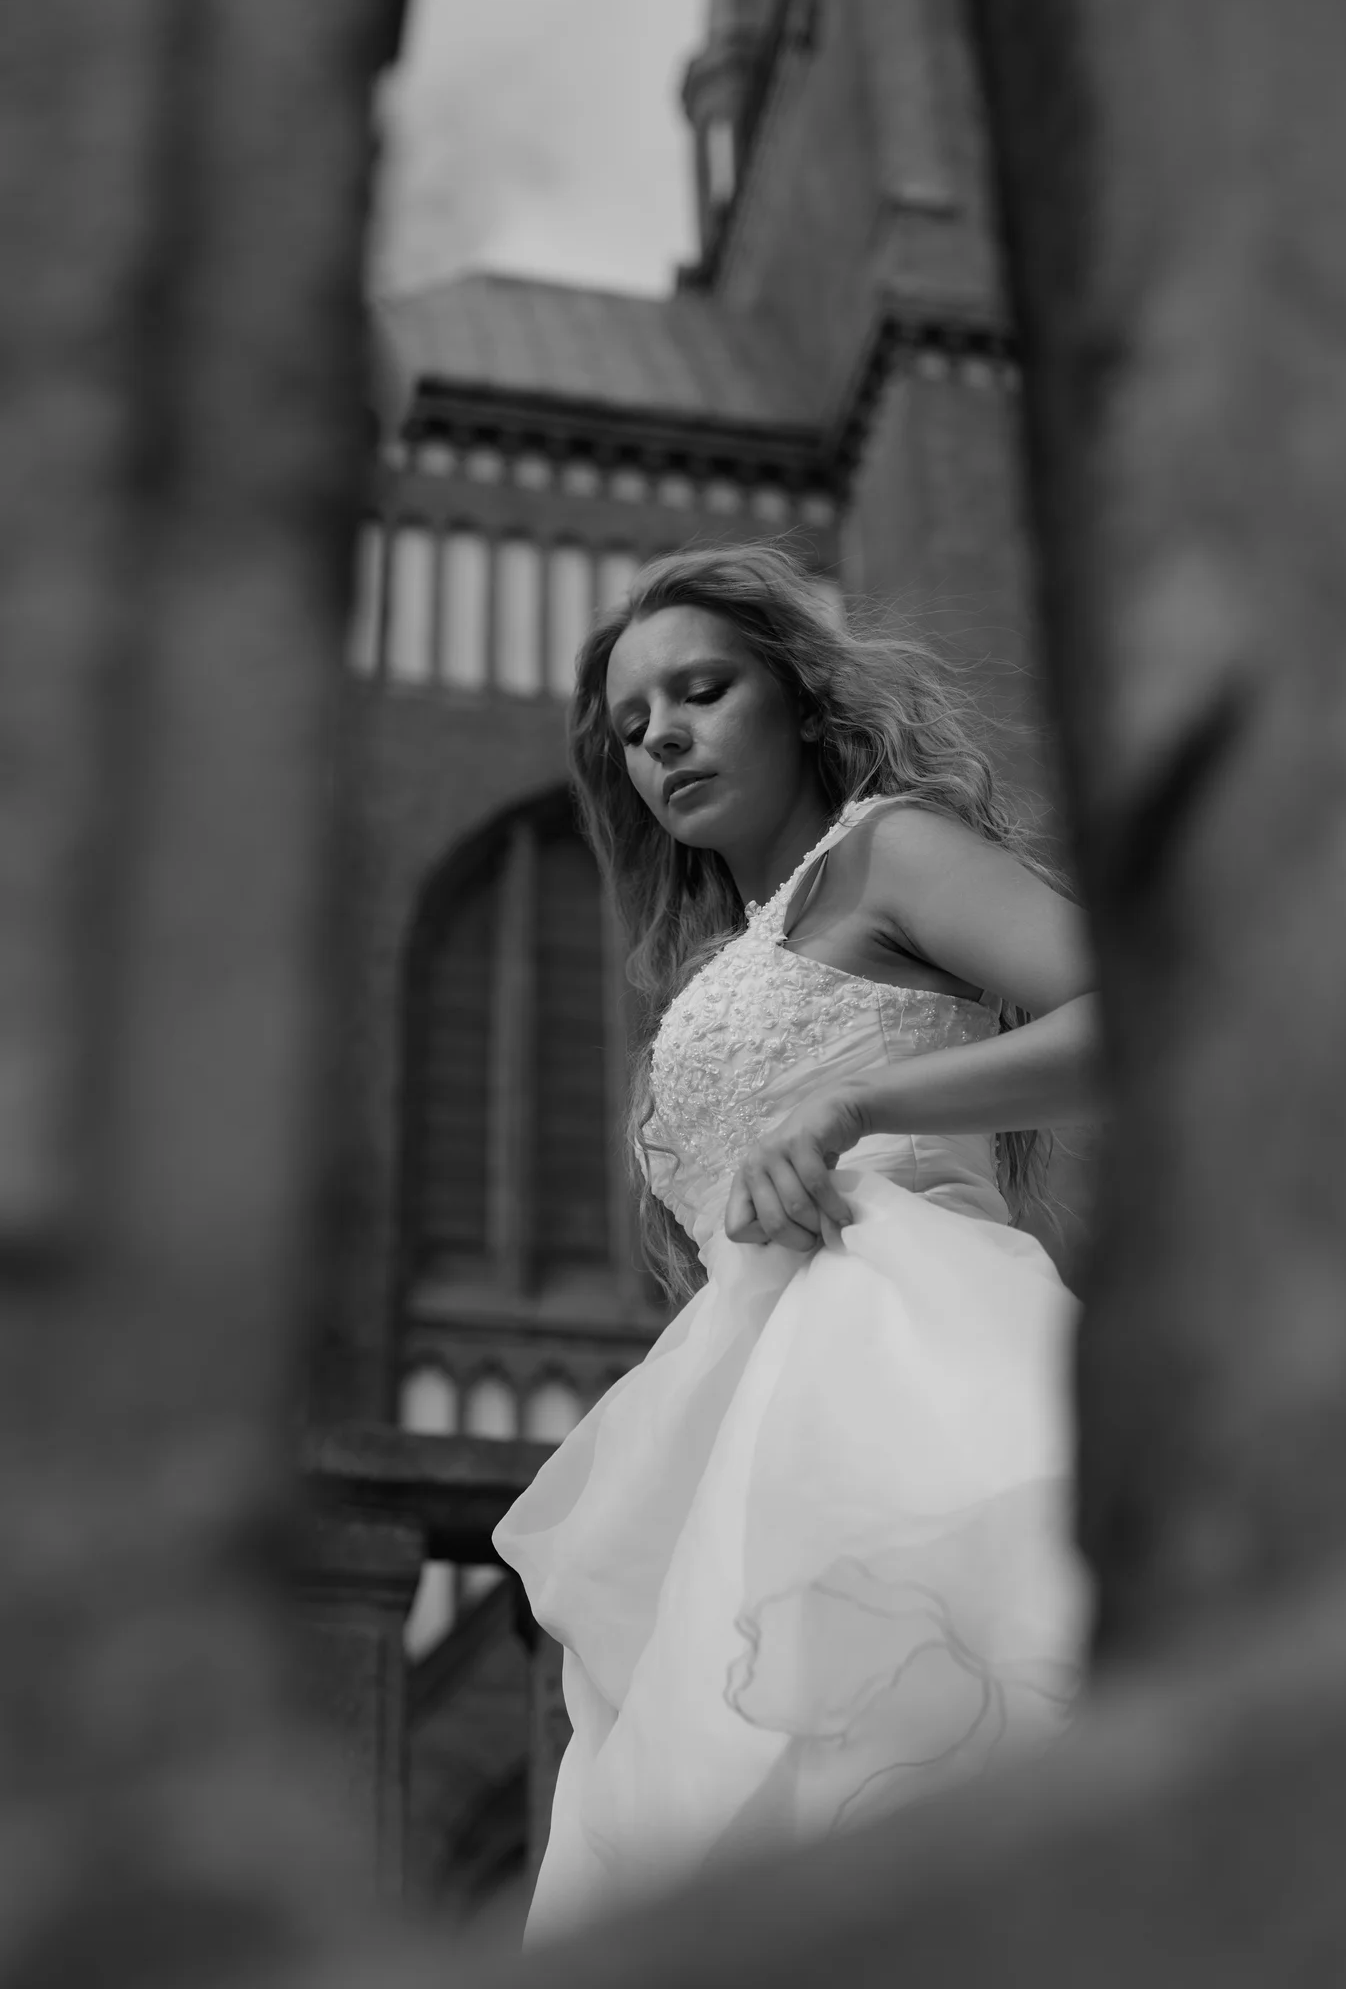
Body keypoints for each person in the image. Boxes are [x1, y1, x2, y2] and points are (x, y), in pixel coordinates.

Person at [493, 542, 1098, 1945]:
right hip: (752, 1437)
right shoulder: (732, 950)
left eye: (702, 692)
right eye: (633, 730)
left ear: (801, 700)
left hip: (918, 1369)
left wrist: (856, 1101)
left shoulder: (892, 850)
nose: (665, 742)